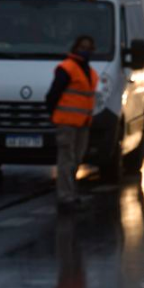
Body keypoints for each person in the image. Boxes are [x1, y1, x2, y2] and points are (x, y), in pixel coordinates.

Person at [46, 36, 98, 213]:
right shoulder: (67, 69)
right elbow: (52, 95)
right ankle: (65, 196)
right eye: (82, 47)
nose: (85, 51)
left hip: (82, 123)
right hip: (67, 123)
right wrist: (54, 116)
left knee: (75, 160)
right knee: (66, 160)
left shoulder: (90, 72)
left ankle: (70, 193)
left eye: (89, 48)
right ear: (75, 48)